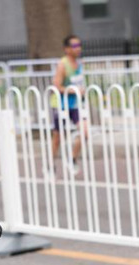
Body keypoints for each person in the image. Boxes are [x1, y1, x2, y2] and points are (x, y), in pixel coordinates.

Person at [49, 35, 87, 177]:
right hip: (61, 105)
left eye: (79, 45)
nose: (78, 48)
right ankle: (50, 164)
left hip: (76, 105)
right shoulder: (62, 65)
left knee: (85, 132)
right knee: (58, 138)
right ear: (67, 49)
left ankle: (72, 159)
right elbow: (57, 86)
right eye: (75, 46)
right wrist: (72, 90)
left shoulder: (80, 63)